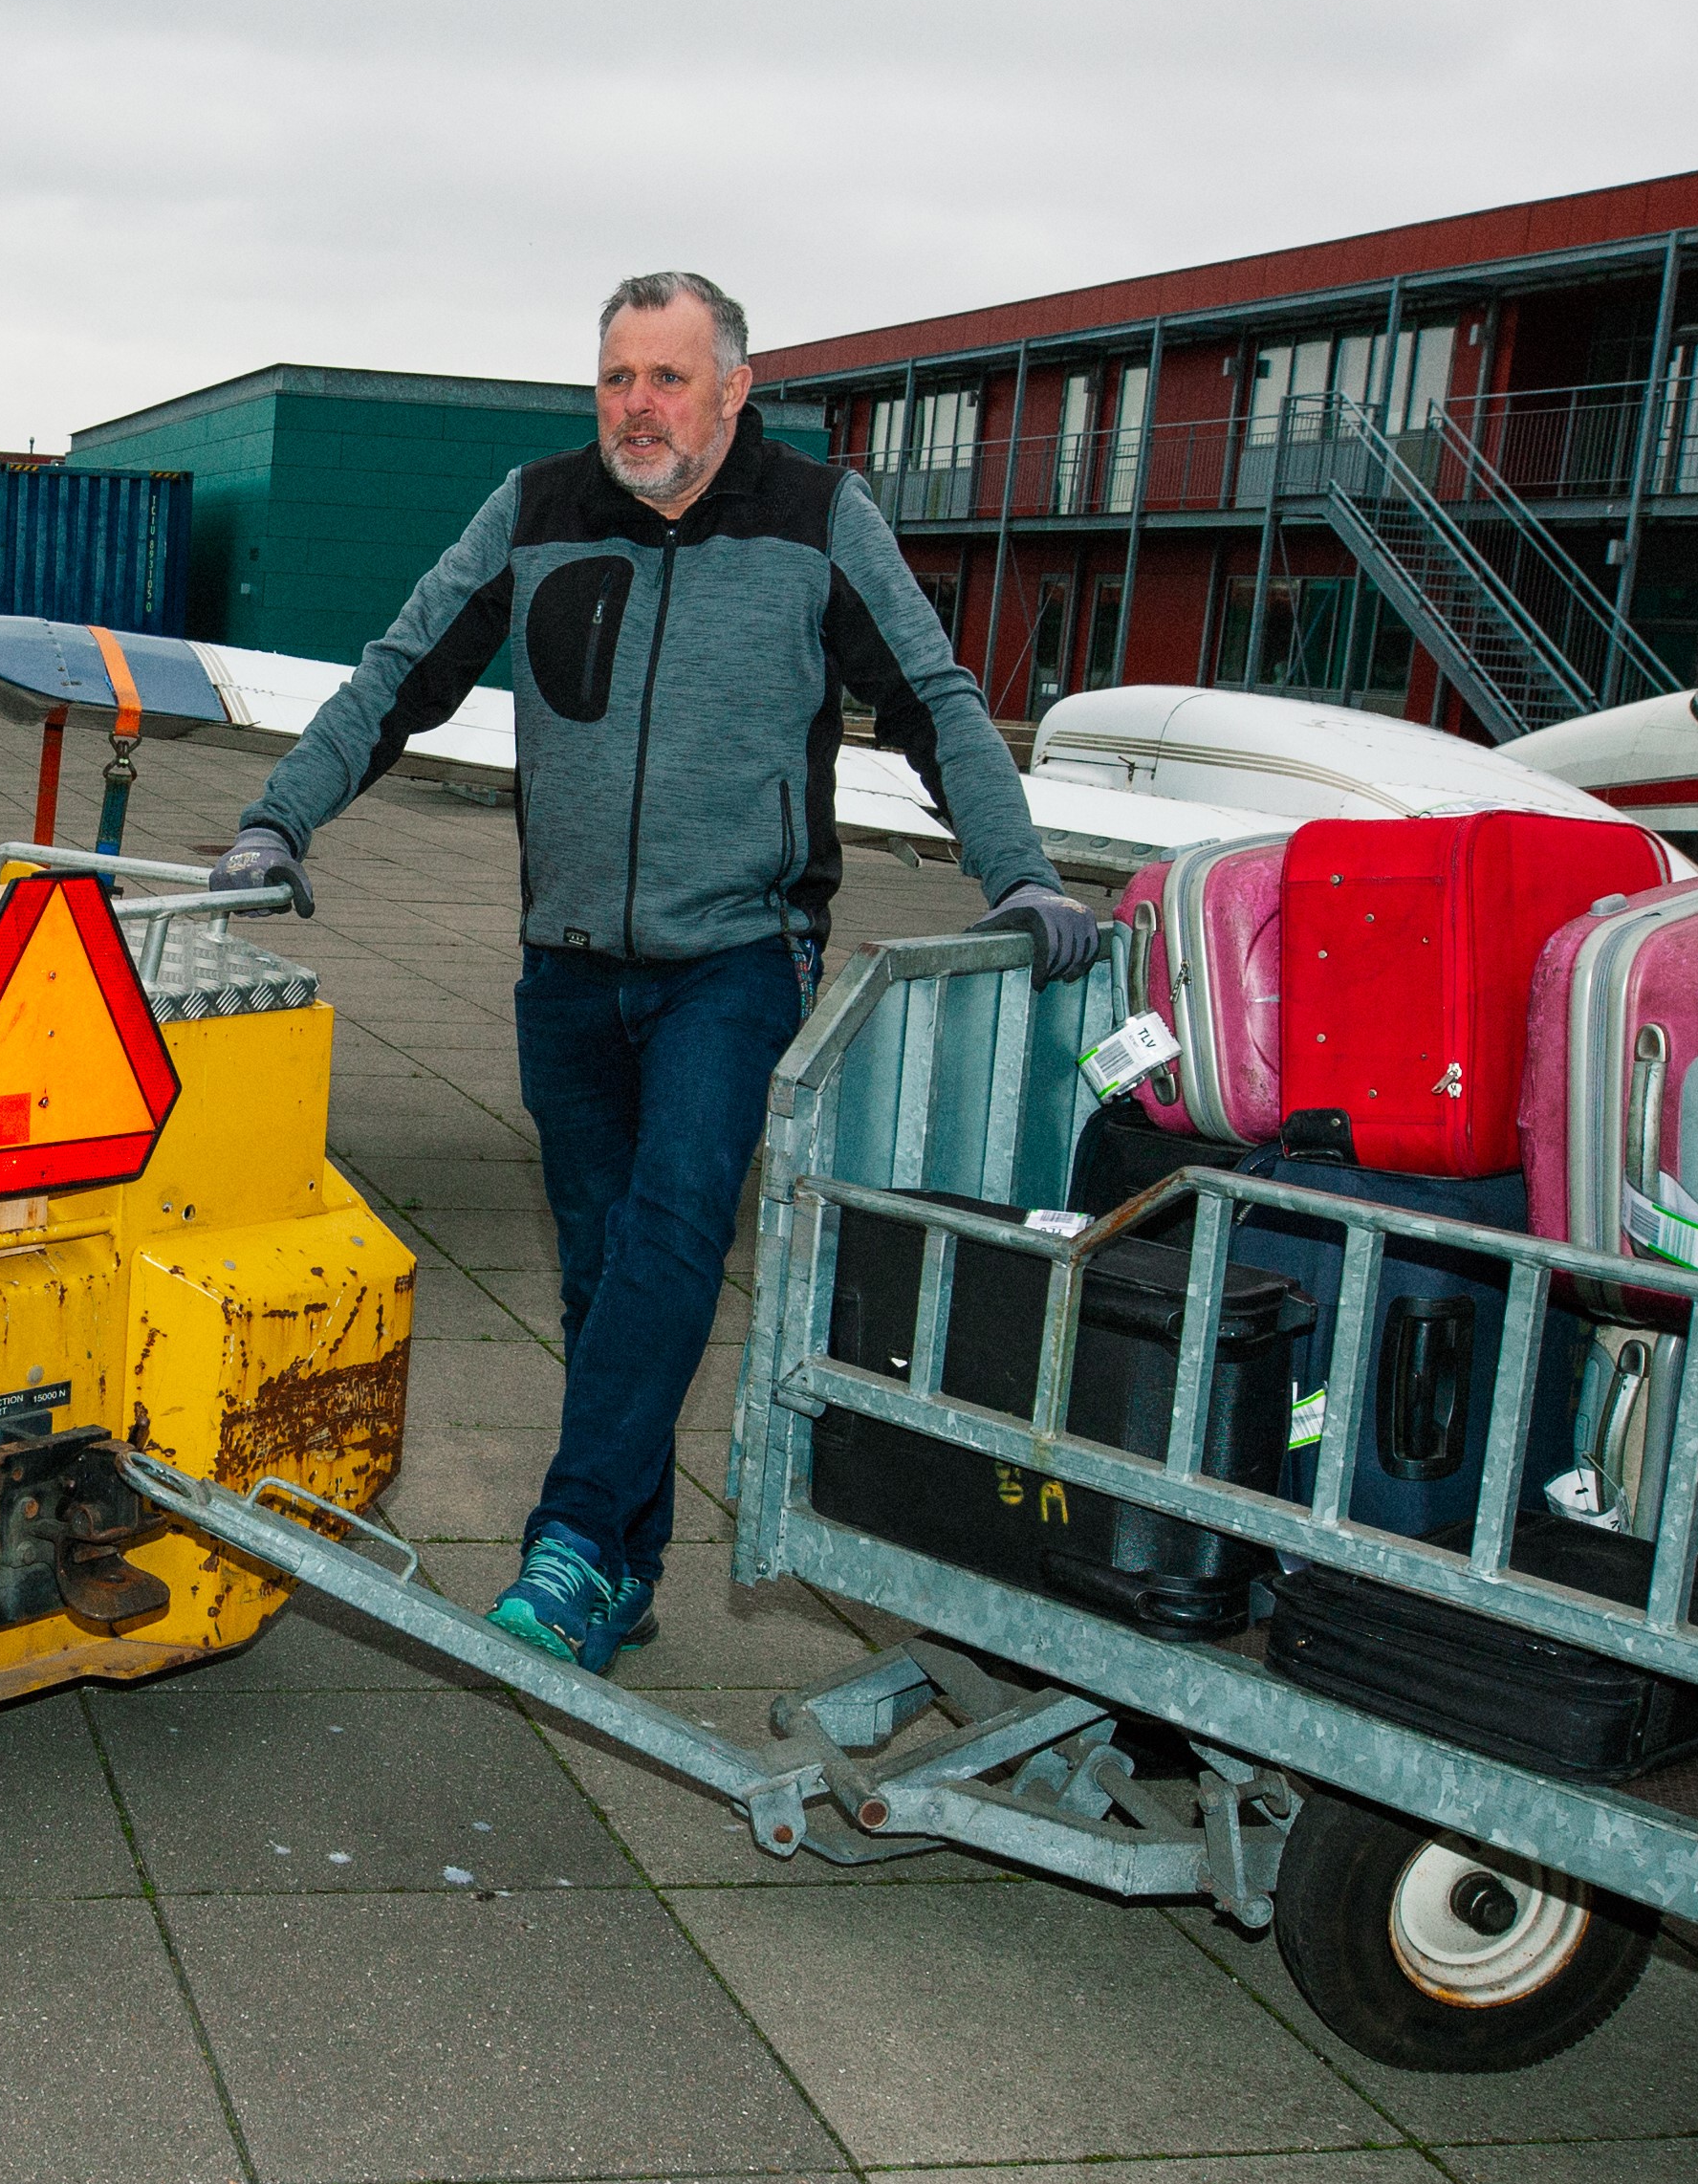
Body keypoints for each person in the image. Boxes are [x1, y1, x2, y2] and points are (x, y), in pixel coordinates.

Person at [211, 272, 1099, 1670]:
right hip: (565, 964)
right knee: (601, 1276)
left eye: (667, 378)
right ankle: (623, 1571)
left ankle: (563, 1541)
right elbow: (399, 673)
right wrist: (281, 816)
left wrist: (1022, 871)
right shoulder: (536, 508)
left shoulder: (818, 525)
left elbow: (935, 702)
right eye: (617, 377)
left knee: (677, 1234)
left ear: (734, 391)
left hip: (739, 956)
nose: (637, 406)